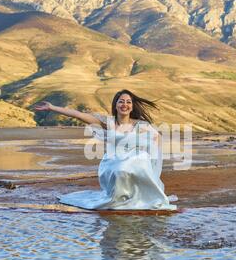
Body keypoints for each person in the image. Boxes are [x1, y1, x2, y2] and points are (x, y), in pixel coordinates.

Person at [34, 89, 178, 211]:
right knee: (122, 167)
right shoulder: (107, 123)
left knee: (137, 160)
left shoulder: (140, 125)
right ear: (115, 105)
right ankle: (118, 197)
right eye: (121, 101)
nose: (125, 105)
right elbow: (79, 115)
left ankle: (137, 195)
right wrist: (52, 107)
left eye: (128, 102)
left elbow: (157, 137)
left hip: (135, 159)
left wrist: (151, 156)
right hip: (113, 161)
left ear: (132, 106)